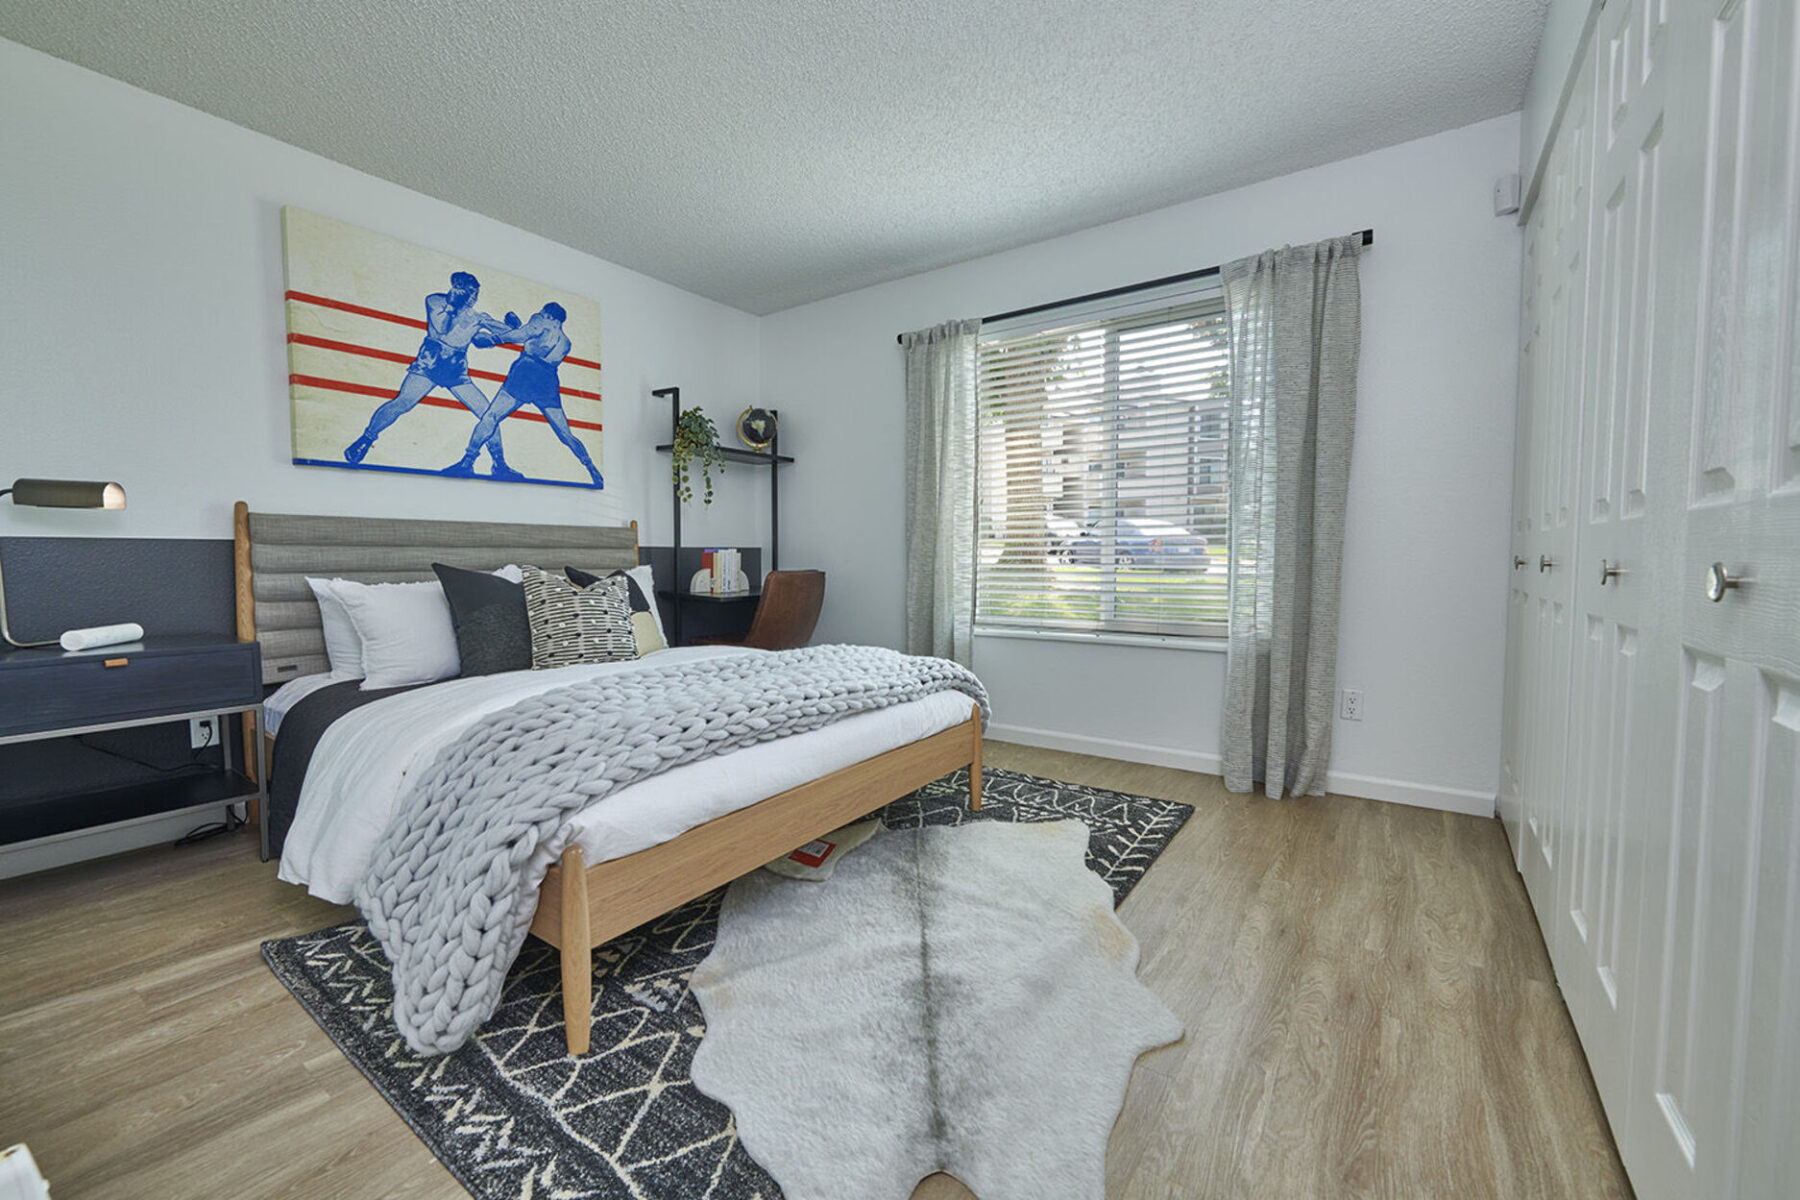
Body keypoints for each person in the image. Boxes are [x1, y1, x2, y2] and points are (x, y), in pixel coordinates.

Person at [343, 272, 522, 477]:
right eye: (473, 294)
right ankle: (365, 440)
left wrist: (510, 329)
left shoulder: (478, 317)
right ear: (460, 290)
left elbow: (515, 337)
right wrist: (453, 306)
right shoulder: (435, 301)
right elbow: (442, 328)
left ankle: (499, 463)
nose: (475, 299)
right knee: (403, 403)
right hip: (430, 362)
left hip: (456, 368)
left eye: (476, 294)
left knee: (488, 414)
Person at [443, 302, 602, 486]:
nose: (540, 314)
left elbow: (523, 334)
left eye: (543, 313)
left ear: (549, 316)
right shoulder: (566, 342)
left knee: (491, 416)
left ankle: (468, 461)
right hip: (548, 379)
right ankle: (592, 470)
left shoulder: (540, 321)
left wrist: (494, 339)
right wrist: (515, 329)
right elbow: (536, 341)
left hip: (526, 372)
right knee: (565, 434)